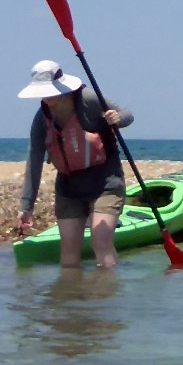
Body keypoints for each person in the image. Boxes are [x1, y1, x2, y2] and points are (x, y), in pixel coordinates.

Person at [17, 60, 134, 268]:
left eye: (51, 91)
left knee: (100, 239)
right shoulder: (41, 119)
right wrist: (26, 206)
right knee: (69, 249)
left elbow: (127, 115)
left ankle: (105, 297)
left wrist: (117, 119)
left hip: (105, 181)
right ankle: (69, 296)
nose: (48, 98)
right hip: (68, 186)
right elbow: (34, 160)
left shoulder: (88, 100)